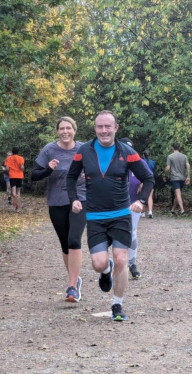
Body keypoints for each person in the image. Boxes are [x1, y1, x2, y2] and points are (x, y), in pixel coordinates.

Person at [66, 111, 154, 321]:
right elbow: (71, 176)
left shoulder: (127, 152)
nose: (104, 131)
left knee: (121, 258)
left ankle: (117, 305)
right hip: (95, 216)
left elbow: (148, 177)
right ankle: (106, 271)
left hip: (121, 214)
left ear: (116, 128)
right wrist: (74, 199)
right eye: (99, 127)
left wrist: (141, 201)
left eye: (108, 127)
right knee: (98, 263)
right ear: (95, 128)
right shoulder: (83, 150)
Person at [31, 117, 86, 303]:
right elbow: (33, 175)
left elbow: (100, 170)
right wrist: (48, 169)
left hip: (79, 199)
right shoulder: (49, 150)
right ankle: (75, 279)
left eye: (68, 128)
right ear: (57, 131)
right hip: (56, 201)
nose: (65, 131)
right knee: (65, 244)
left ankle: (72, 287)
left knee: (74, 239)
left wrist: (90, 174)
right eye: (62, 128)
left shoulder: (84, 148)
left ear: (74, 130)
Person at [120, 138, 153, 279]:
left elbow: (148, 178)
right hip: (115, 204)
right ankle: (114, 264)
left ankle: (132, 263)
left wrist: (142, 196)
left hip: (133, 203)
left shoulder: (138, 163)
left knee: (132, 233)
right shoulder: (113, 163)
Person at [164, 142, 190, 215]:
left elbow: (168, 168)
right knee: (177, 194)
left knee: (178, 194)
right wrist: (188, 176)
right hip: (182, 178)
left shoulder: (170, 156)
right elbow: (188, 165)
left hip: (175, 177)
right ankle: (173, 209)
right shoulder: (184, 156)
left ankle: (182, 210)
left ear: (172, 148)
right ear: (179, 148)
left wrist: (165, 174)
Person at [141, 149, 156, 218]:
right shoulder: (153, 162)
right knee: (150, 196)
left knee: (142, 196)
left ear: (143, 155)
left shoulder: (141, 161)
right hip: (150, 181)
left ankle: (143, 212)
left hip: (142, 180)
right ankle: (150, 212)